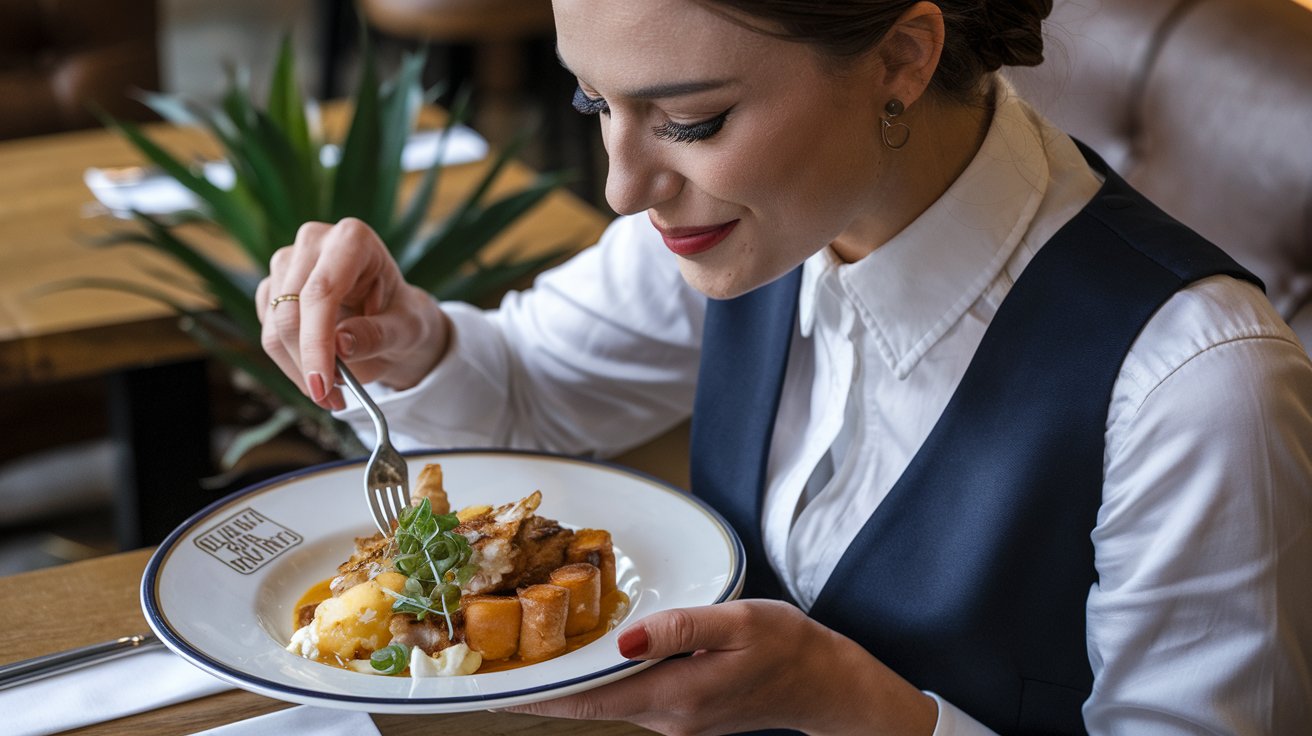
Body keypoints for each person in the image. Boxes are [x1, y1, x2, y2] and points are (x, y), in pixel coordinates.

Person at [256, 1, 1312, 733]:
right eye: (593, 104)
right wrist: (407, 340)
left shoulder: (1197, 388)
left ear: (901, 57)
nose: (624, 186)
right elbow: (532, 389)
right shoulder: (752, 209)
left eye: (691, 119)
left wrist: (855, 708)